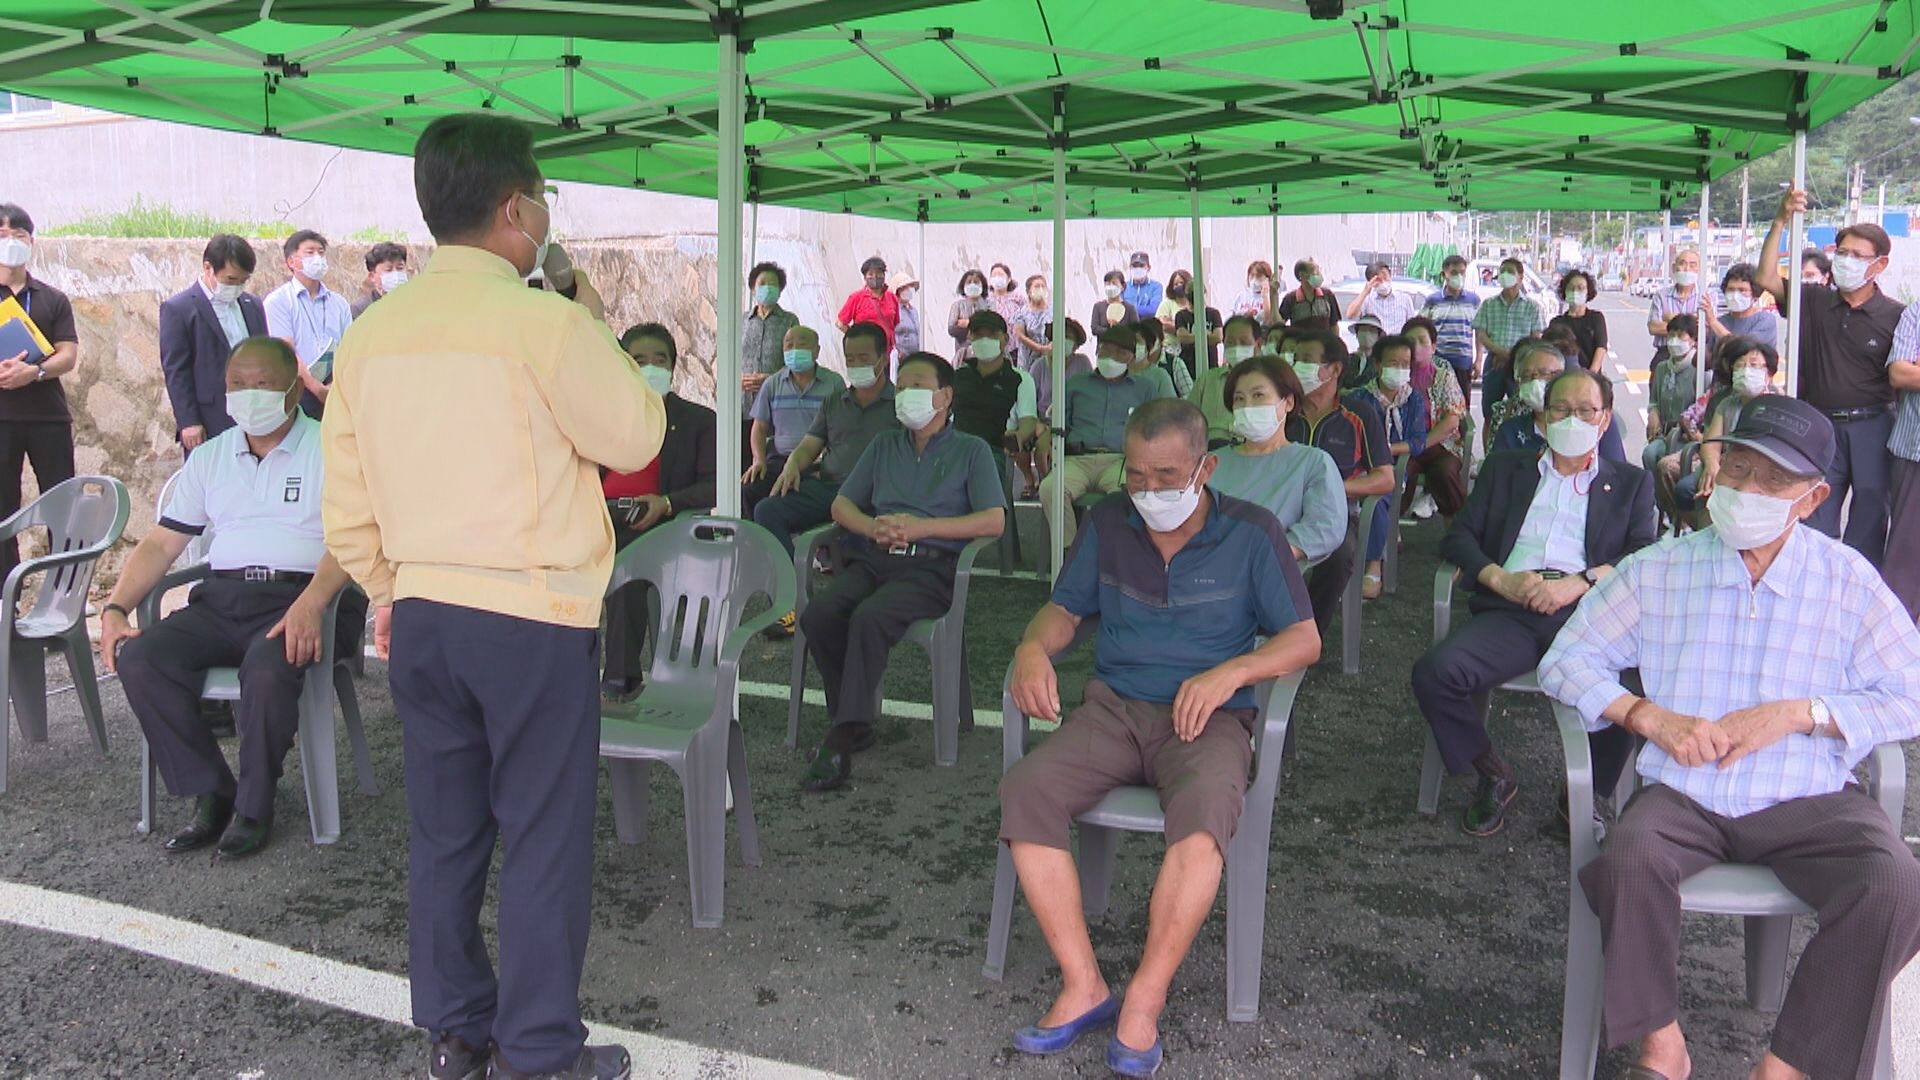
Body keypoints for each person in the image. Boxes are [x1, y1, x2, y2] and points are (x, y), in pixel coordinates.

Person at [320, 112, 664, 1080]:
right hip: (532, 616)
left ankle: (459, 1032)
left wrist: (396, 589)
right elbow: (637, 435)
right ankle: (541, 1052)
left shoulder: (370, 337)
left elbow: (347, 515)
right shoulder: (543, 321)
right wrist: (586, 310)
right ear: (517, 207)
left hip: (424, 614)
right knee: (543, 838)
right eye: (543, 196)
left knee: (445, 834)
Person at [1539, 396, 1920, 1080]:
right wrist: (1643, 715)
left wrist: (1803, 712)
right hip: (1688, 793)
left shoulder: (1847, 582)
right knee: (1627, 859)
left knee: (1895, 882)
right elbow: (1566, 659)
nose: (1746, 491)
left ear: (1812, 500)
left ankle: (1787, 1066)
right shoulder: (1661, 568)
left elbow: (1910, 690)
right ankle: (1662, 1048)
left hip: (1809, 795)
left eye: (1771, 482)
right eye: (1737, 468)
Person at [998, 399, 1319, 1077]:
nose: (1148, 492)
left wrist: (1230, 674)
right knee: (1026, 790)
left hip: (1207, 718)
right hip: (1114, 708)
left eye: (1166, 475)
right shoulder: (1109, 522)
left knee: (1202, 822)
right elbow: (1063, 609)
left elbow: (1303, 639)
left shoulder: (1252, 533)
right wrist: (1031, 649)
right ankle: (1084, 984)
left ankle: (1145, 996)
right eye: (1135, 475)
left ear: (1206, 467)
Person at [99, 336, 365, 858]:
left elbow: (353, 539)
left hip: (311, 597)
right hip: (224, 598)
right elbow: (161, 543)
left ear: (294, 387)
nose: (249, 395)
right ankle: (212, 789)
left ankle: (254, 805)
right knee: (144, 658)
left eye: (262, 384)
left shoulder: (334, 447)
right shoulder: (212, 456)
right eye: (236, 385)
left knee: (268, 668)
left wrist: (312, 601)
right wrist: (115, 607)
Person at [1416, 367, 1656, 837]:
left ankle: (1583, 797)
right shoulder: (1507, 469)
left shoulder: (1630, 483)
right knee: (1436, 672)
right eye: (1561, 409)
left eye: (1585, 410)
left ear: (1604, 420)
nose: (1572, 419)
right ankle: (1492, 772)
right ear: (1543, 419)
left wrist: (1580, 582)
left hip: (1588, 612)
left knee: (1635, 685)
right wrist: (1500, 580)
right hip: (1513, 609)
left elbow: (1642, 555)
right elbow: (1460, 536)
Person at [797, 352, 1004, 793]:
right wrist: (873, 526)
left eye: (918, 386)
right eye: (902, 386)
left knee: (871, 617)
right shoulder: (884, 445)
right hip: (875, 558)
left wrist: (922, 527)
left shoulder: (972, 450)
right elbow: (841, 505)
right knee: (820, 613)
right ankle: (853, 718)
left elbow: (994, 520)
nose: (906, 395)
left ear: (945, 396)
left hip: (931, 569)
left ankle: (842, 735)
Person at [1755, 190, 1905, 566]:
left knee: (1870, 515)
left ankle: (1855, 594)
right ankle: (1812, 582)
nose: (1846, 261)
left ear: (1880, 264)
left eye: (1857, 255)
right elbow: (1766, 277)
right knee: (1814, 512)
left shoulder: (1895, 315)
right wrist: (1779, 221)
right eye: (1842, 253)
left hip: (1874, 425)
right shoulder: (1814, 300)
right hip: (1819, 424)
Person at [600, 324, 717, 701]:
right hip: (598, 518)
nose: (651, 368)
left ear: (673, 367)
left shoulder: (699, 421)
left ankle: (619, 682)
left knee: (627, 567)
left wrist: (666, 503)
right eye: (639, 360)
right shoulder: (603, 417)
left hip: (657, 523)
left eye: (660, 360)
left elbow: (716, 485)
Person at [751, 322, 888, 567]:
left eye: (864, 358)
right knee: (767, 510)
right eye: (851, 359)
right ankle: (793, 579)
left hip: (876, 495)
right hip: (831, 490)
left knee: (856, 548)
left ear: (883, 359)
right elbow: (808, 446)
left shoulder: (899, 405)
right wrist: (792, 464)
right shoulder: (834, 403)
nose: (856, 365)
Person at [1285, 330, 1393, 634]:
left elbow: (1384, 479)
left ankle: (1306, 636)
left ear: (1334, 369)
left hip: (1338, 512)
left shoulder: (1359, 415)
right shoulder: (1283, 413)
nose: (1297, 367)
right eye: (1295, 360)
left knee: (1339, 554)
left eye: (1306, 360)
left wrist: (1333, 486)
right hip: (1281, 506)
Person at [0, 203, 78, 579]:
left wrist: (35, 372)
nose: (11, 243)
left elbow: (68, 354)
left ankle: (64, 584)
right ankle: (4, 591)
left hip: (48, 415)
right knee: (2, 506)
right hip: (2, 418)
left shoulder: (52, 298)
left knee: (62, 502)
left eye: (19, 236)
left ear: (31, 242)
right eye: (2, 236)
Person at [1207, 354, 1346, 566]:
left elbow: (1326, 525)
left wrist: (1278, 553)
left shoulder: (1312, 463)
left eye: (1258, 395)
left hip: (1268, 572)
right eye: (1239, 399)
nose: (1248, 406)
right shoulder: (1212, 462)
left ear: (1288, 402)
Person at [1036, 327, 1166, 547]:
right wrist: (1044, 437)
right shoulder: (1076, 384)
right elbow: (1058, 424)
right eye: (1105, 351)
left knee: (1129, 493)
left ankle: (1113, 554)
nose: (1110, 357)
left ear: (1131, 357)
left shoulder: (1145, 389)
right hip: (1077, 459)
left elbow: (1154, 430)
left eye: (1118, 353)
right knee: (1051, 490)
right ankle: (1071, 552)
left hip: (1121, 461)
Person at [160, 233, 267, 448]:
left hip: (254, 417)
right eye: (230, 280)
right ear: (208, 268)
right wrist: (188, 421)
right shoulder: (179, 309)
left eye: (243, 281)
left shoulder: (252, 305)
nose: (237, 287)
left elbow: (264, 355)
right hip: (210, 418)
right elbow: (176, 370)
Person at [742, 325, 846, 517]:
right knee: (747, 490)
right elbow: (760, 427)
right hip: (778, 460)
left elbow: (841, 430)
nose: (795, 350)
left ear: (817, 351)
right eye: (789, 346)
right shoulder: (772, 383)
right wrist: (758, 460)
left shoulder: (834, 384)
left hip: (817, 466)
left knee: (780, 502)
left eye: (802, 345)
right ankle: (751, 543)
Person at [1356, 336, 1429, 599]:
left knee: (1375, 497)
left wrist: (1386, 449)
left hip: (1393, 466)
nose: (1399, 369)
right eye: (1392, 363)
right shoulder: (1360, 398)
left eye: (1405, 364)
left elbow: (1418, 442)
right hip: (1360, 464)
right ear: (1377, 364)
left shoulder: (1414, 400)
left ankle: (1374, 564)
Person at [1493, 338, 1629, 464]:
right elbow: (1495, 477)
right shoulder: (1511, 430)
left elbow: (1617, 474)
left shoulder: (1595, 423)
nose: (1535, 382)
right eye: (1527, 376)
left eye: (1544, 373)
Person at [262, 229, 353, 415]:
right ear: (292, 261)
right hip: (298, 389)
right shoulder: (278, 301)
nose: (317, 258)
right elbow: (286, 353)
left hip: (336, 389)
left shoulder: (339, 303)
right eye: (310, 252)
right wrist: (317, 389)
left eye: (321, 252)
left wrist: (334, 387)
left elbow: (349, 348)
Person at [954, 310, 1037, 480]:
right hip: (955, 448)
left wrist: (1018, 438)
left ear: (1005, 339)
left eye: (992, 335)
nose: (985, 340)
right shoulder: (958, 376)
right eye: (978, 335)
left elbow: (1028, 421)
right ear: (970, 338)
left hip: (993, 451)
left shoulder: (1020, 379)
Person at [1399, 317, 1467, 522]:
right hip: (1405, 446)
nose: (1416, 347)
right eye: (1411, 342)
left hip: (1441, 446)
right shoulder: (1395, 376)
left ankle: (1457, 527)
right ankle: (1389, 532)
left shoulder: (1443, 376)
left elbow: (1452, 420)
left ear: (1434, 347)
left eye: (1423, 341)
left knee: (1445, 473)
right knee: (1397, 474)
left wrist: (1421, 444)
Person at [1471, 256, 1545, 423]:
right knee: (1490, 415)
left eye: (1510, 272)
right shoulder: (1489, 304)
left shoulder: (1532, 307)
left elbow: (1535, 339)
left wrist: (1513, 357)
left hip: (1521, 366)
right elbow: (1481, 334)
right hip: (1494, 362)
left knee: (1523, 413)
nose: (1505, 275)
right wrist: (1500, 353)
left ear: (1520, 276)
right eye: (1502, 271)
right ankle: (1489, 449)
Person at [741, 261, 800, 454]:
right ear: (752, 289)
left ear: (780, 290)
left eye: (773, 284)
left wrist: (770, 379)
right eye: (762, 283)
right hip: (742, 404)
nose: (768, 288)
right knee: (742, 459)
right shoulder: (740, 321)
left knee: (771, 458)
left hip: (776, 402)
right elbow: (727, 358)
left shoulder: (790, 321)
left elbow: (796, 362)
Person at [1887, 304, 1920, 622]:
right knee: (1906, 558)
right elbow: (1899, 373)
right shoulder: (1916, 314)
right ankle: (1897, 639)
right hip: (1914, 450)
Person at [1643, 313, 1703, 475]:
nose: (1675, 340)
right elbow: (1654, 400)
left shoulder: (1699, 371)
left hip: (1686, 437)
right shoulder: (1662, 368)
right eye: (1671, 335)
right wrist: (1653, 413)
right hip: (1665, 434)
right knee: (1650, 454)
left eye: (1681, 335)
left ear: (1693, 340)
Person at [1187, 314, 1260, 447]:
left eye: (1243, 342)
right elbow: (1187, 421)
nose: (1236, 347)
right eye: (1230, 342)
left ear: (1258, 345)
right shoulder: (1207, 380)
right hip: (1210, 450)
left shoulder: (1267, 384)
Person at [1423, 254, 1482, 407]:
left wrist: (1479, 360)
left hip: (1463, 362)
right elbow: (1423, 329)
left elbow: (1479, 332)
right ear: (1444, 275)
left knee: (1462, 407)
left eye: (1462, 272)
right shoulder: (1433, 300)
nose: (1459, 276)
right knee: (1437, 405)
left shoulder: (1473, 301)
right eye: (1454, 272)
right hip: (1438, 363)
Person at [1645, 248, 1706, 373]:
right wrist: (1690, 322)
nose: (1687, 269)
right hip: (1665, 354)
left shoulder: (1707, 297)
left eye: (1692, 265)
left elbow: (1705, 329)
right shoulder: (1661, 296)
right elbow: (1653, 327)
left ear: (1699, 269)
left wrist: (1670, 318)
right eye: (1682, 264)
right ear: (1674, 268)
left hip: (1695, 355)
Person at [1702, 262, 1778, 352]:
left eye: (1742, 290)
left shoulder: (1765, 320)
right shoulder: (1721, 321)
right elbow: (1708, 358)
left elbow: (1743, 349)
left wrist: (1713, 322)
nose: (1735, 295)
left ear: (1754, 293)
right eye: (1730, 289)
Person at [836, 256, 901, 354]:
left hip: (888, 354)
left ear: (884, 275)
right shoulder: (856, 298)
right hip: (865, 354)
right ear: (865, 277)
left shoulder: (892, 298)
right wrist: (857, 338)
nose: (875, 277)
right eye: (870, 274)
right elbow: (840, 323)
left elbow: (894, 324)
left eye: (879, 273)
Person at [1555, 270, 1609, 372]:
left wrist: (1590, 375)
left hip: (1591, 380)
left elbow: (1601, 348)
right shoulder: (1557, 323)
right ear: (1565, 292)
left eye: (1580, 288)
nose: (1575, 291)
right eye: (1571, 288)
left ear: (1588, 292)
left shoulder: (1596, 318)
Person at [1344, 262, 1418, 334]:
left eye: (1385, 277)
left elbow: (1412, 327)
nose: (1383, 282)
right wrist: (1365, 291)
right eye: (1378, 279)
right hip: (1376, 344)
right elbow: (1350, 314)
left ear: (1390, 276)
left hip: (1398, 343)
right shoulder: (1367, 300)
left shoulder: (1405, 299)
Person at [1170, 276, 1221, 380]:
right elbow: (1182, 338)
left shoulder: (1213, 314)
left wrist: (1192, 337)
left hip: (1210, 364)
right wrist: (1206, 335)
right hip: (1188, 366)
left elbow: (1218, 337)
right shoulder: (1181, 315)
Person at [1009, 273, 1054, 374]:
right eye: (1037, 286)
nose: (1040, 289)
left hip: (1049, 357)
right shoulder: (1021, 313)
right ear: (1029, 291)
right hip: (1028, 360)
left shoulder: (1054, 310)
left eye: (1043, 286)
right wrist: (1040, 348)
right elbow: (1020, 336)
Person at [352, 241, 410, 317]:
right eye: (388, 270)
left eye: (400, 268)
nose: (396, 274)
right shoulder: (360, 310)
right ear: (372, 276)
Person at [947, 269, 993, 364]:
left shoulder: (989, 305)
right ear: (963, 286)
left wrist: (969, 323)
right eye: (969, 282)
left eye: (976, 282)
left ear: (982, 285)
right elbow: (952, 330)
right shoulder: (957, 305)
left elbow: (993, 325)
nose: (972, 285)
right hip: (963, 354)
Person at [1278, 258, 1338, 330]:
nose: (1318, 273)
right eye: (1314, 270)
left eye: (1319, 269)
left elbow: (1334, 326)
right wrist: (1273, 296)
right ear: (1302, 275)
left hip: (1324, 341)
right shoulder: (1290, 299)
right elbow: (1279, 324)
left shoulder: (1328, 295)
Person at [1091, 269, 1137, 336]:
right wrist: (1111, 331)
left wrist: (1118, 328)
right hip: (1103, 345)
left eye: (1114, 283)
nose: (1110, 286)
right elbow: (1095, 329)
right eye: (1108, 284)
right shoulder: (1098, 306)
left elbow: (1135, 331)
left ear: (1122, 287)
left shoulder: (1130, 308)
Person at [888, 271, 921, 364]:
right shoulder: (893, 311)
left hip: (915, 357)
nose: (908, 290)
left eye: (909, 287)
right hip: (901, 359)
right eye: (905, 288)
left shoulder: (913, 311)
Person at [1121, 251, 1162, 324]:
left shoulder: (1156, 287)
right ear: (1130, 267)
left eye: (1141, 266)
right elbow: (1119, 309)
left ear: (1148, 268)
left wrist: (1129, 310)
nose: (1138, 269)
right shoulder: (1123, 286)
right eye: (1135, 266)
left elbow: (1153, 310)